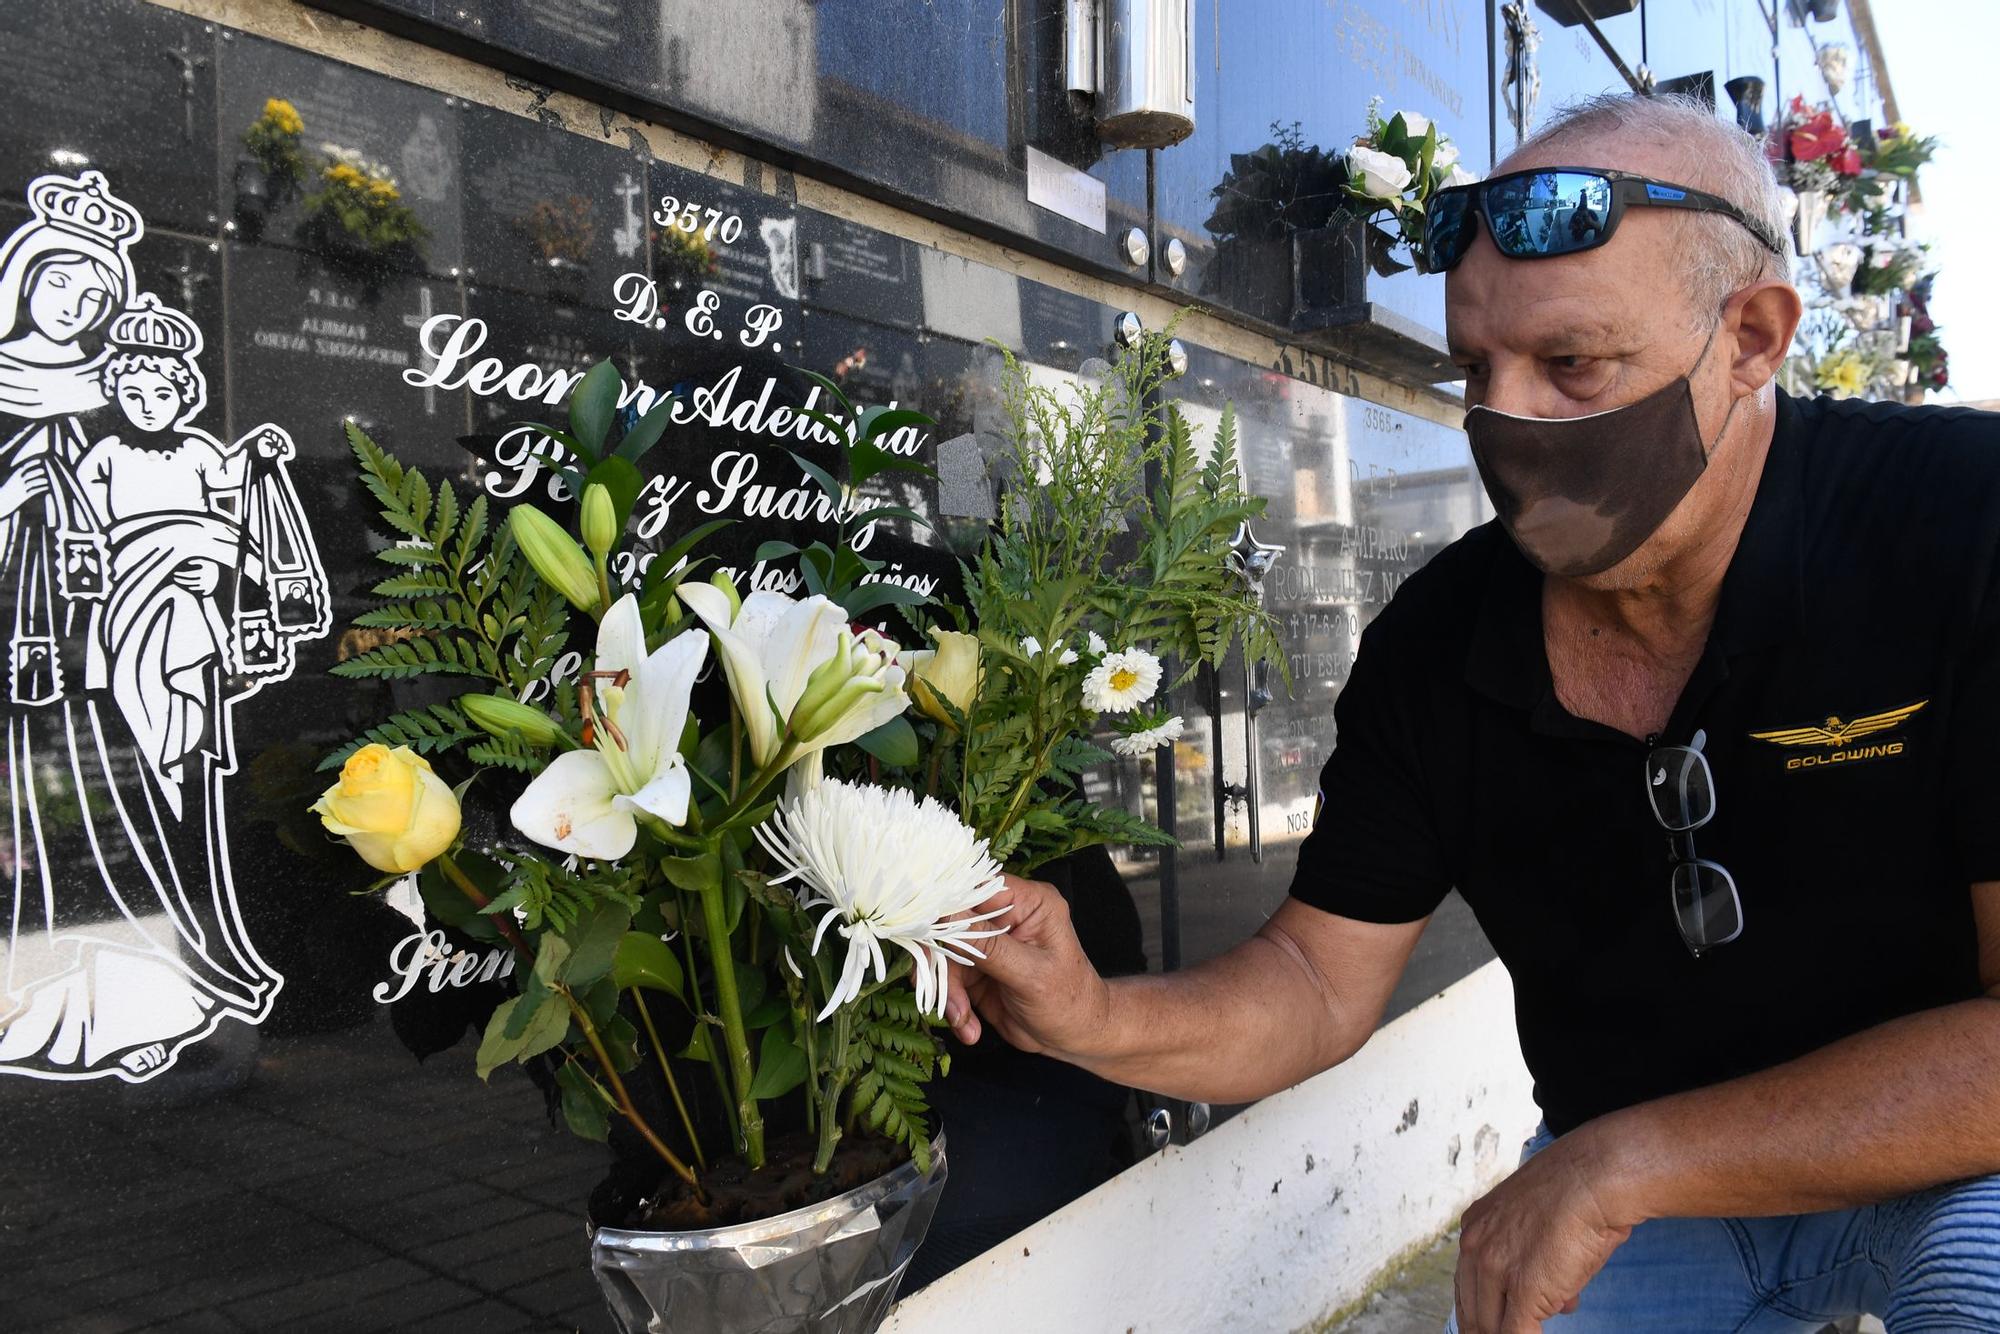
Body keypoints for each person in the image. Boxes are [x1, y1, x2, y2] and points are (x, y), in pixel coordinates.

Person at [945, 94, 2000, 1332]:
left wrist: (1621, 1163)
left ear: (1751, 337)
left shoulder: (1958, 530)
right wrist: (1092, 1015)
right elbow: (1313, 980)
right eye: (1475, 370)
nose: (1507, 424)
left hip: (1930, 1158)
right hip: (1637, 1192)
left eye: (1573, 365)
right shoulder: (1440, 647)